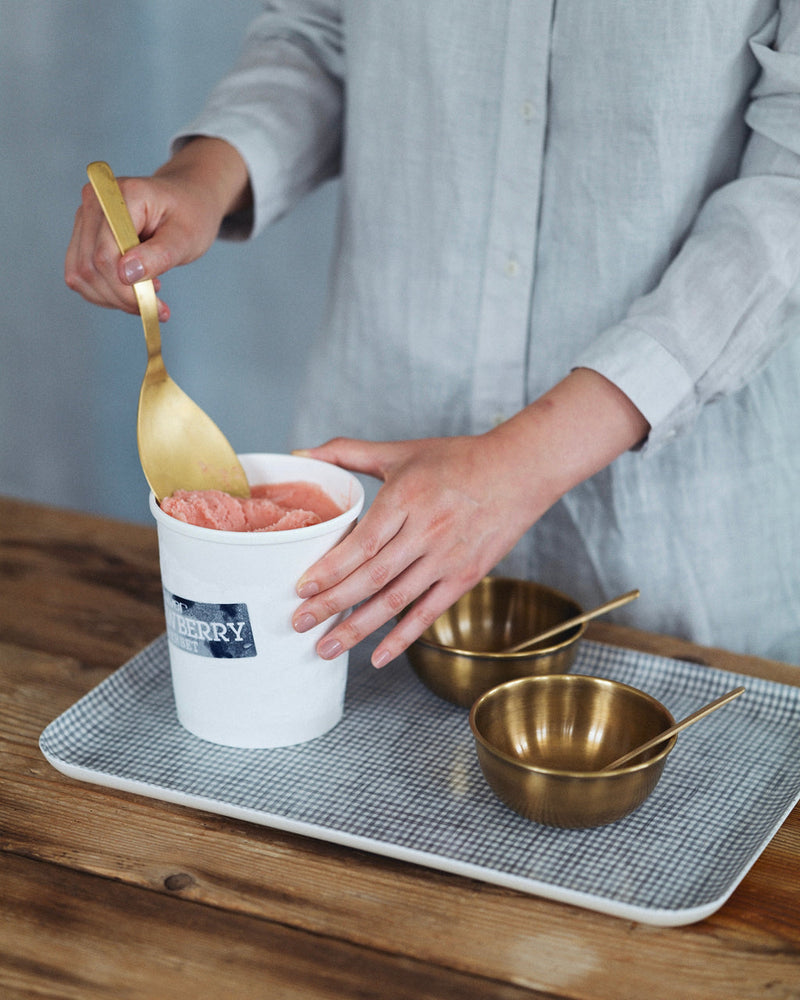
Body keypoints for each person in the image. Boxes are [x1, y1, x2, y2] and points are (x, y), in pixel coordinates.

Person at [66, 2, 800, 669]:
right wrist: (203, 177)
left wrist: (522, 462)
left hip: (678, 552)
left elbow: (787, 187)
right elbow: (320, 33)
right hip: (372, 539)